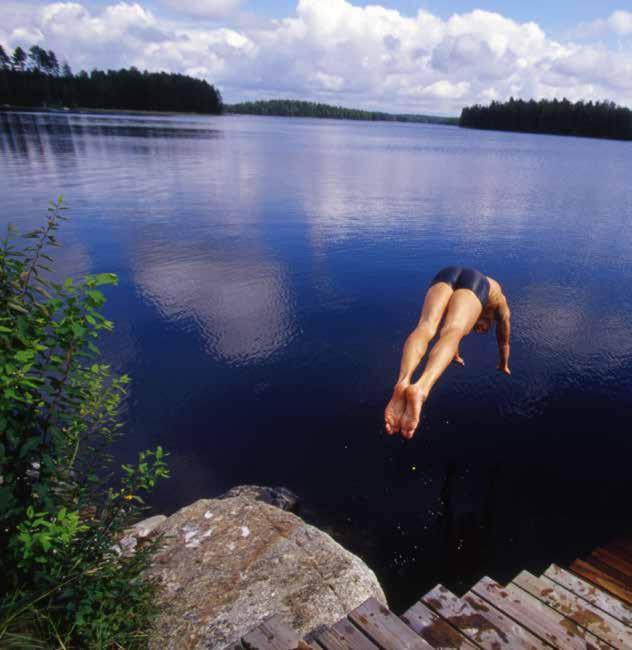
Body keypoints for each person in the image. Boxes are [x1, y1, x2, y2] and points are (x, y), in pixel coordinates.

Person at [384, 266, 511, 439]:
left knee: (425, 326)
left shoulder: (482, 301)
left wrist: (455, 355)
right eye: (482, 328)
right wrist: (504, 364)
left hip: (448, 273)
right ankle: (421, 388)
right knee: (455, 331)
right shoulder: (501, 307)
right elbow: (504, 341)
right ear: (489, 321)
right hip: (477, 282)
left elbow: (449, 337)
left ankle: (403, 381)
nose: (479, 329)